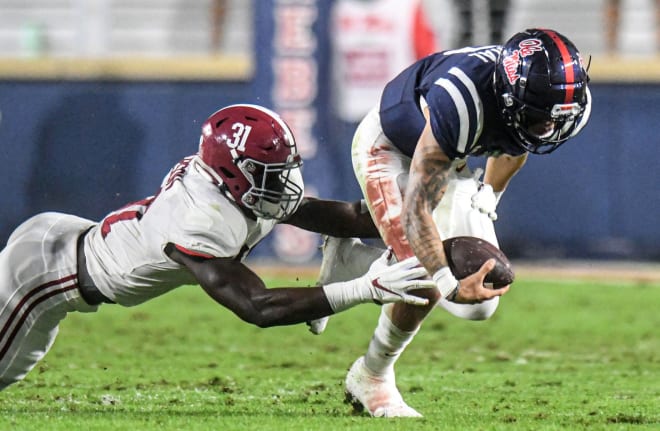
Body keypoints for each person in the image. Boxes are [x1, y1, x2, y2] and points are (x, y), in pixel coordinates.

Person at [0, 104, 436, 391]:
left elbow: (342, 216)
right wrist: (365, 288)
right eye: (270, 171)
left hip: (65, 240)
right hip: (42, 275)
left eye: (286, 166)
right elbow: (257, 306)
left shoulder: (236, 183)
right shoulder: (199, 218)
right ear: (233, 173)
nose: (284, 180)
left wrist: (428, 200)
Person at [313, 28, 592, 417]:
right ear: (511, 97)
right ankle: (372, 376)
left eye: (552, 119)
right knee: (423, 279)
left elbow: (518, 144)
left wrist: (486, 197)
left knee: (481, 298)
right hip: (391, 145)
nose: (548, 128)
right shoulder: (463, 99)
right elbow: (417, 209)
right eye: (537, 117)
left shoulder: (561, 100)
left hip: (448, 155)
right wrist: (445, 281)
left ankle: (353, 261)